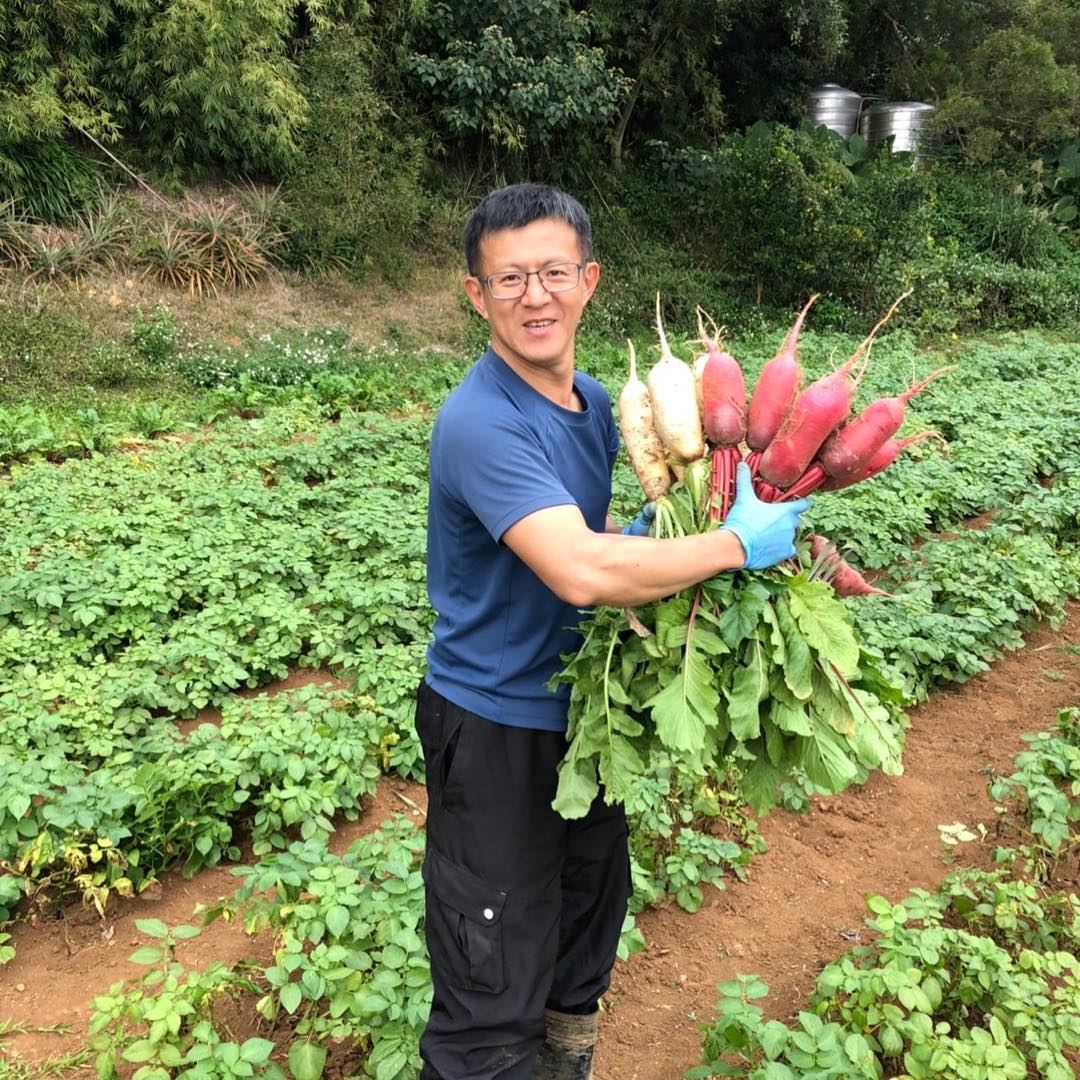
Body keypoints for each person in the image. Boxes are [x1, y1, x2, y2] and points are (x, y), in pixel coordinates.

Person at [416, 183, 810, 1080]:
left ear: (589, 281)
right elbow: (581, 570)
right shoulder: (479, 420)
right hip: (496, 729)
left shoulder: (599, 405)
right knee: (491, 979)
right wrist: (732, 546)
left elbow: (598, 547)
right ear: (476, 295)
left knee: (581, 941)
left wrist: (656, 539)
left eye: (554, 272)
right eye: (508, 278)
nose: (535, 296)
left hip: (590, 717)